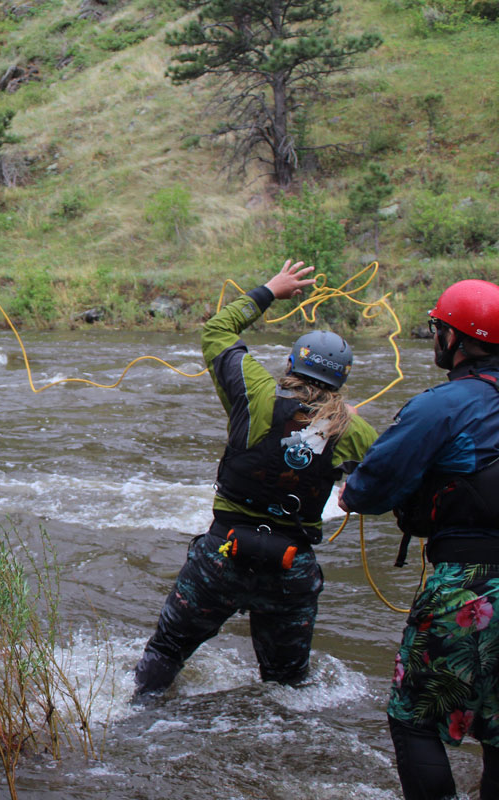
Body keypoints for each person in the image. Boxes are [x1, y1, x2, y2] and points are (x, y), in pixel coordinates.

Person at [134, 260, 378, 695]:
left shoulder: (255, 391)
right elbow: (377, 488)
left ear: (290, 364)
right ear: (340, 382)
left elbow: (217, 332)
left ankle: (135, 718)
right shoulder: (353, 431)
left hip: (222, 554)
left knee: (166, 652)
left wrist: (270, 290)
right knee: (287, 687)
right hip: (291, 569)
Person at [339, 279, 499, 800]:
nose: (434, 338)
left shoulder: (443, 405)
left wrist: (350, 491)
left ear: (457, 339)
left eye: (437, 329)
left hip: (470, 585)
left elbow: (370, 488)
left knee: (413, 716)